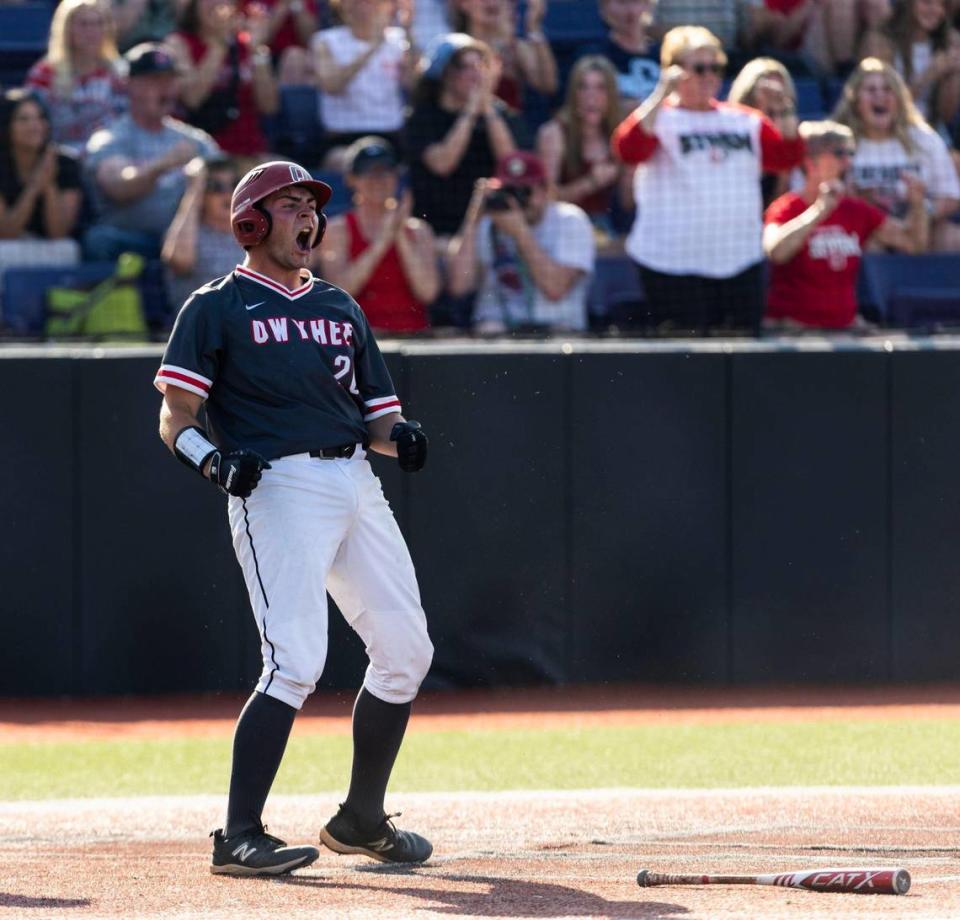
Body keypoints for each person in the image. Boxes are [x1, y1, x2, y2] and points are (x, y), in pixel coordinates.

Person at [154, 159, 434, 876]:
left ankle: (362, 819)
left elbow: (378, 416)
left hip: (354, 480)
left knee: (407, 652)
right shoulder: (215, 304)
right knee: (295, 660)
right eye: (287, 204)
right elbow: (174, 416)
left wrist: (396, 438)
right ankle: (238, 836)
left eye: (310, 204)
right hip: (277, 487)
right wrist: (214, 463)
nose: (306, 215)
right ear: (250, 221)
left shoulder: (341, 306)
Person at [612, 26, 804, 334]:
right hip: (671, 263)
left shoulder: (745, 120)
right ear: (674, 71)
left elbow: (787, 157)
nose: (709, 77)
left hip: (738, 259)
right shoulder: (659, 119)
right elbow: (629, 149)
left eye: (716, 68)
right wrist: (661, 92)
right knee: (687, 364)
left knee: (740, 362)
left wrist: (784, 107)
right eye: (699, 68)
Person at [763, 120, 928, 329]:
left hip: (844, 331)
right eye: (839, 154)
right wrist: (818, 212)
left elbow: (913, 244)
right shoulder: (786, 207)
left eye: (851, 154)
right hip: (794, 333)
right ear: (811, 162)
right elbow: (775, 251)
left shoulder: (855, 209)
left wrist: (918, 205)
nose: (848, 162)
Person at [83, 42, 220, 262]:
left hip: (188, 240)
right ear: (131, 85)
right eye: (155, 81)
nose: (165, 89)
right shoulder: (112, 138)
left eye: (170, 80)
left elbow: (229, 186)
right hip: (134, 241)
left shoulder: (195, 140)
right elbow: (118, 187)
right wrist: (164, 164)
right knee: (100, 239)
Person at [446, 150, 596, 333]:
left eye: (524, 191)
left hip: (557, 332)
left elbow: (555, 289)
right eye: (509, 191)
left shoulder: (570, 220)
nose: (516, 200)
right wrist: (474, 217)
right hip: (497, 331)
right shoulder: (488, 223)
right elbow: (458, 287)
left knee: (561, 337)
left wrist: (520, 232)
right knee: (490, 330)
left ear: (544, 190)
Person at [832, 56, 960, 249]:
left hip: (920, 224)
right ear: (856, 101)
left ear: (899, 101)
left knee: (951, 237)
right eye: (871, 90)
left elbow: (951, 195)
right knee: (870, 243)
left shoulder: (925, 139)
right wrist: (852, 200)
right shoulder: (838, 141)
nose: (880, 96)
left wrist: (921, 209)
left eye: (887, 89)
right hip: (862, 226)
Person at [317, 136, 439, 333]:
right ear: (351, 179)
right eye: (369, 173)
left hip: (415, 337)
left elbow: (427, 292)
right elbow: (341, 291)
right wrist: (382, 241)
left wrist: (399, 233)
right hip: (361, 338)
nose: (378, 181)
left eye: (385, 173)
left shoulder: (419, 230)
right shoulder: (336, 229)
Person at [405, 33, 521, 237]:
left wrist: (487, 110)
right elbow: (442, 163)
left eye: (480, 66)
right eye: (464, 67)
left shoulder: (498, 114)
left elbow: (511, 165)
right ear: (444, 73)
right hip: (437, 229)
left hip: (489, 228)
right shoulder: (420, 117)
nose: (474, 74)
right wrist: (469, 112)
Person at [309, 0, 420, 168]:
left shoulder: (399, 39)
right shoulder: (325, 40)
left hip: (391, 135)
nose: (367, 7)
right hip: (343, 137)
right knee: (353, 166)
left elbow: (415, 86)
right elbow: (331, 85)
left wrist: (409, 30)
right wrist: (373, 45)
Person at [166, 0, 280, 161]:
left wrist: (257, 50)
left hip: (248, 151)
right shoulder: (178, 43)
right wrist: (220, 44)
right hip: (201, 154)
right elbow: (192, 98)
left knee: (296, 175)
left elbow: (269, 106)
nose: (217, 5)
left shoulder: (245, 45)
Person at [0, 89, 83, 284]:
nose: (34, 126)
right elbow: (7, 232)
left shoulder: (66, 162)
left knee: (68, 249)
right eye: (23, 119)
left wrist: (49, 185)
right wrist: (34, 187)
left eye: (40, 118)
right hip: (8, 246)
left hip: (50, 246)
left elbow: (58, 232)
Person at [25, 0, 127, 156]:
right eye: (84, 24)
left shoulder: (119, 72)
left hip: (109, 156)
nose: (92, 31)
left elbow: (126, 121)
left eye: (98, 24)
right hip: (59, 156)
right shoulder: (43, 74)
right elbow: (33, 123)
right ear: (66, 29)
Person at [535, 55, 624, 234]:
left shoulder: (620, 133)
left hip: (609, 231)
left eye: (601, 88)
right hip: (562, 229)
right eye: (583, 87)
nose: (591, 96)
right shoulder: (554, 133)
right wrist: (591, 183)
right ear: (574, 94)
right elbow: (544, 201)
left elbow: (629, 202)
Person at [162, 155, 240, 317]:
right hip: (202, 329)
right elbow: (179, 260)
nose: (227, 193)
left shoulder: (252, 231)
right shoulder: (187, 232)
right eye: (216, 186)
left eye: (234, 185)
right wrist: (194, 187)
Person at [860, 0, 960, 126]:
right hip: (887, 129)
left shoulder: (948, 42)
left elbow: (946, 116)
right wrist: (929, 75)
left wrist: (953, 77)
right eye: (927, 2)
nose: (936, 10)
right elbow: (881, 105)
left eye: (942, 5)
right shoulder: (879, 42)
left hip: (929, 130)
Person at [452, 0, 558, 110]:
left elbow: (548, 84)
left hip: (508, 124)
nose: (491, 3)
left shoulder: (516, 47)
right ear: (463, 4)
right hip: (458, 123)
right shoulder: (454, 45)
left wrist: (534, 27)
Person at [726, 56, 798, 203]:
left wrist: (783, 113)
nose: (772, 95)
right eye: (766, 90)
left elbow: (783, 192)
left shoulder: (790, 128)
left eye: (778, 93)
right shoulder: (730, 124)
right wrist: (761, 108)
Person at [590, 0, 662, 110]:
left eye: (636, 2)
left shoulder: (664, 55)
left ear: (648, 5)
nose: (630, 11)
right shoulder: (593, 56)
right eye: (622, 2)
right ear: (604, 7)